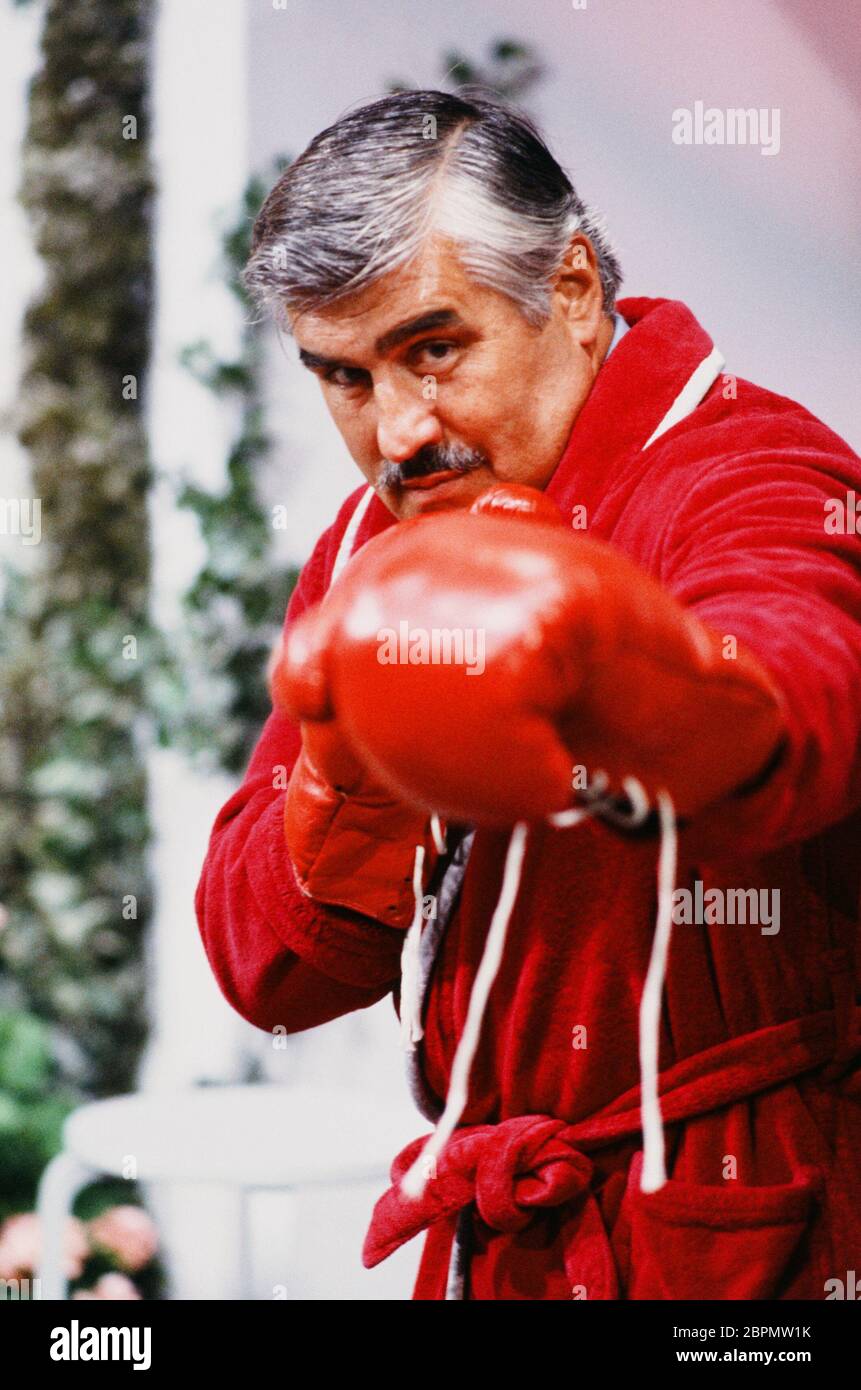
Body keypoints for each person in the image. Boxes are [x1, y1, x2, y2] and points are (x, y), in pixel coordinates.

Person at [195, 89, 861, 1300]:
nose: (397, 430)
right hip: (506, 1240)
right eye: (344, 376)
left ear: (569, 284)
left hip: (757, 1243)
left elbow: (800, 689)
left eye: (432, 349)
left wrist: (614, 668)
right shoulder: (373, 543)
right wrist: (352, 775)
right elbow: (266, 974)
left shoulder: (751, 466)